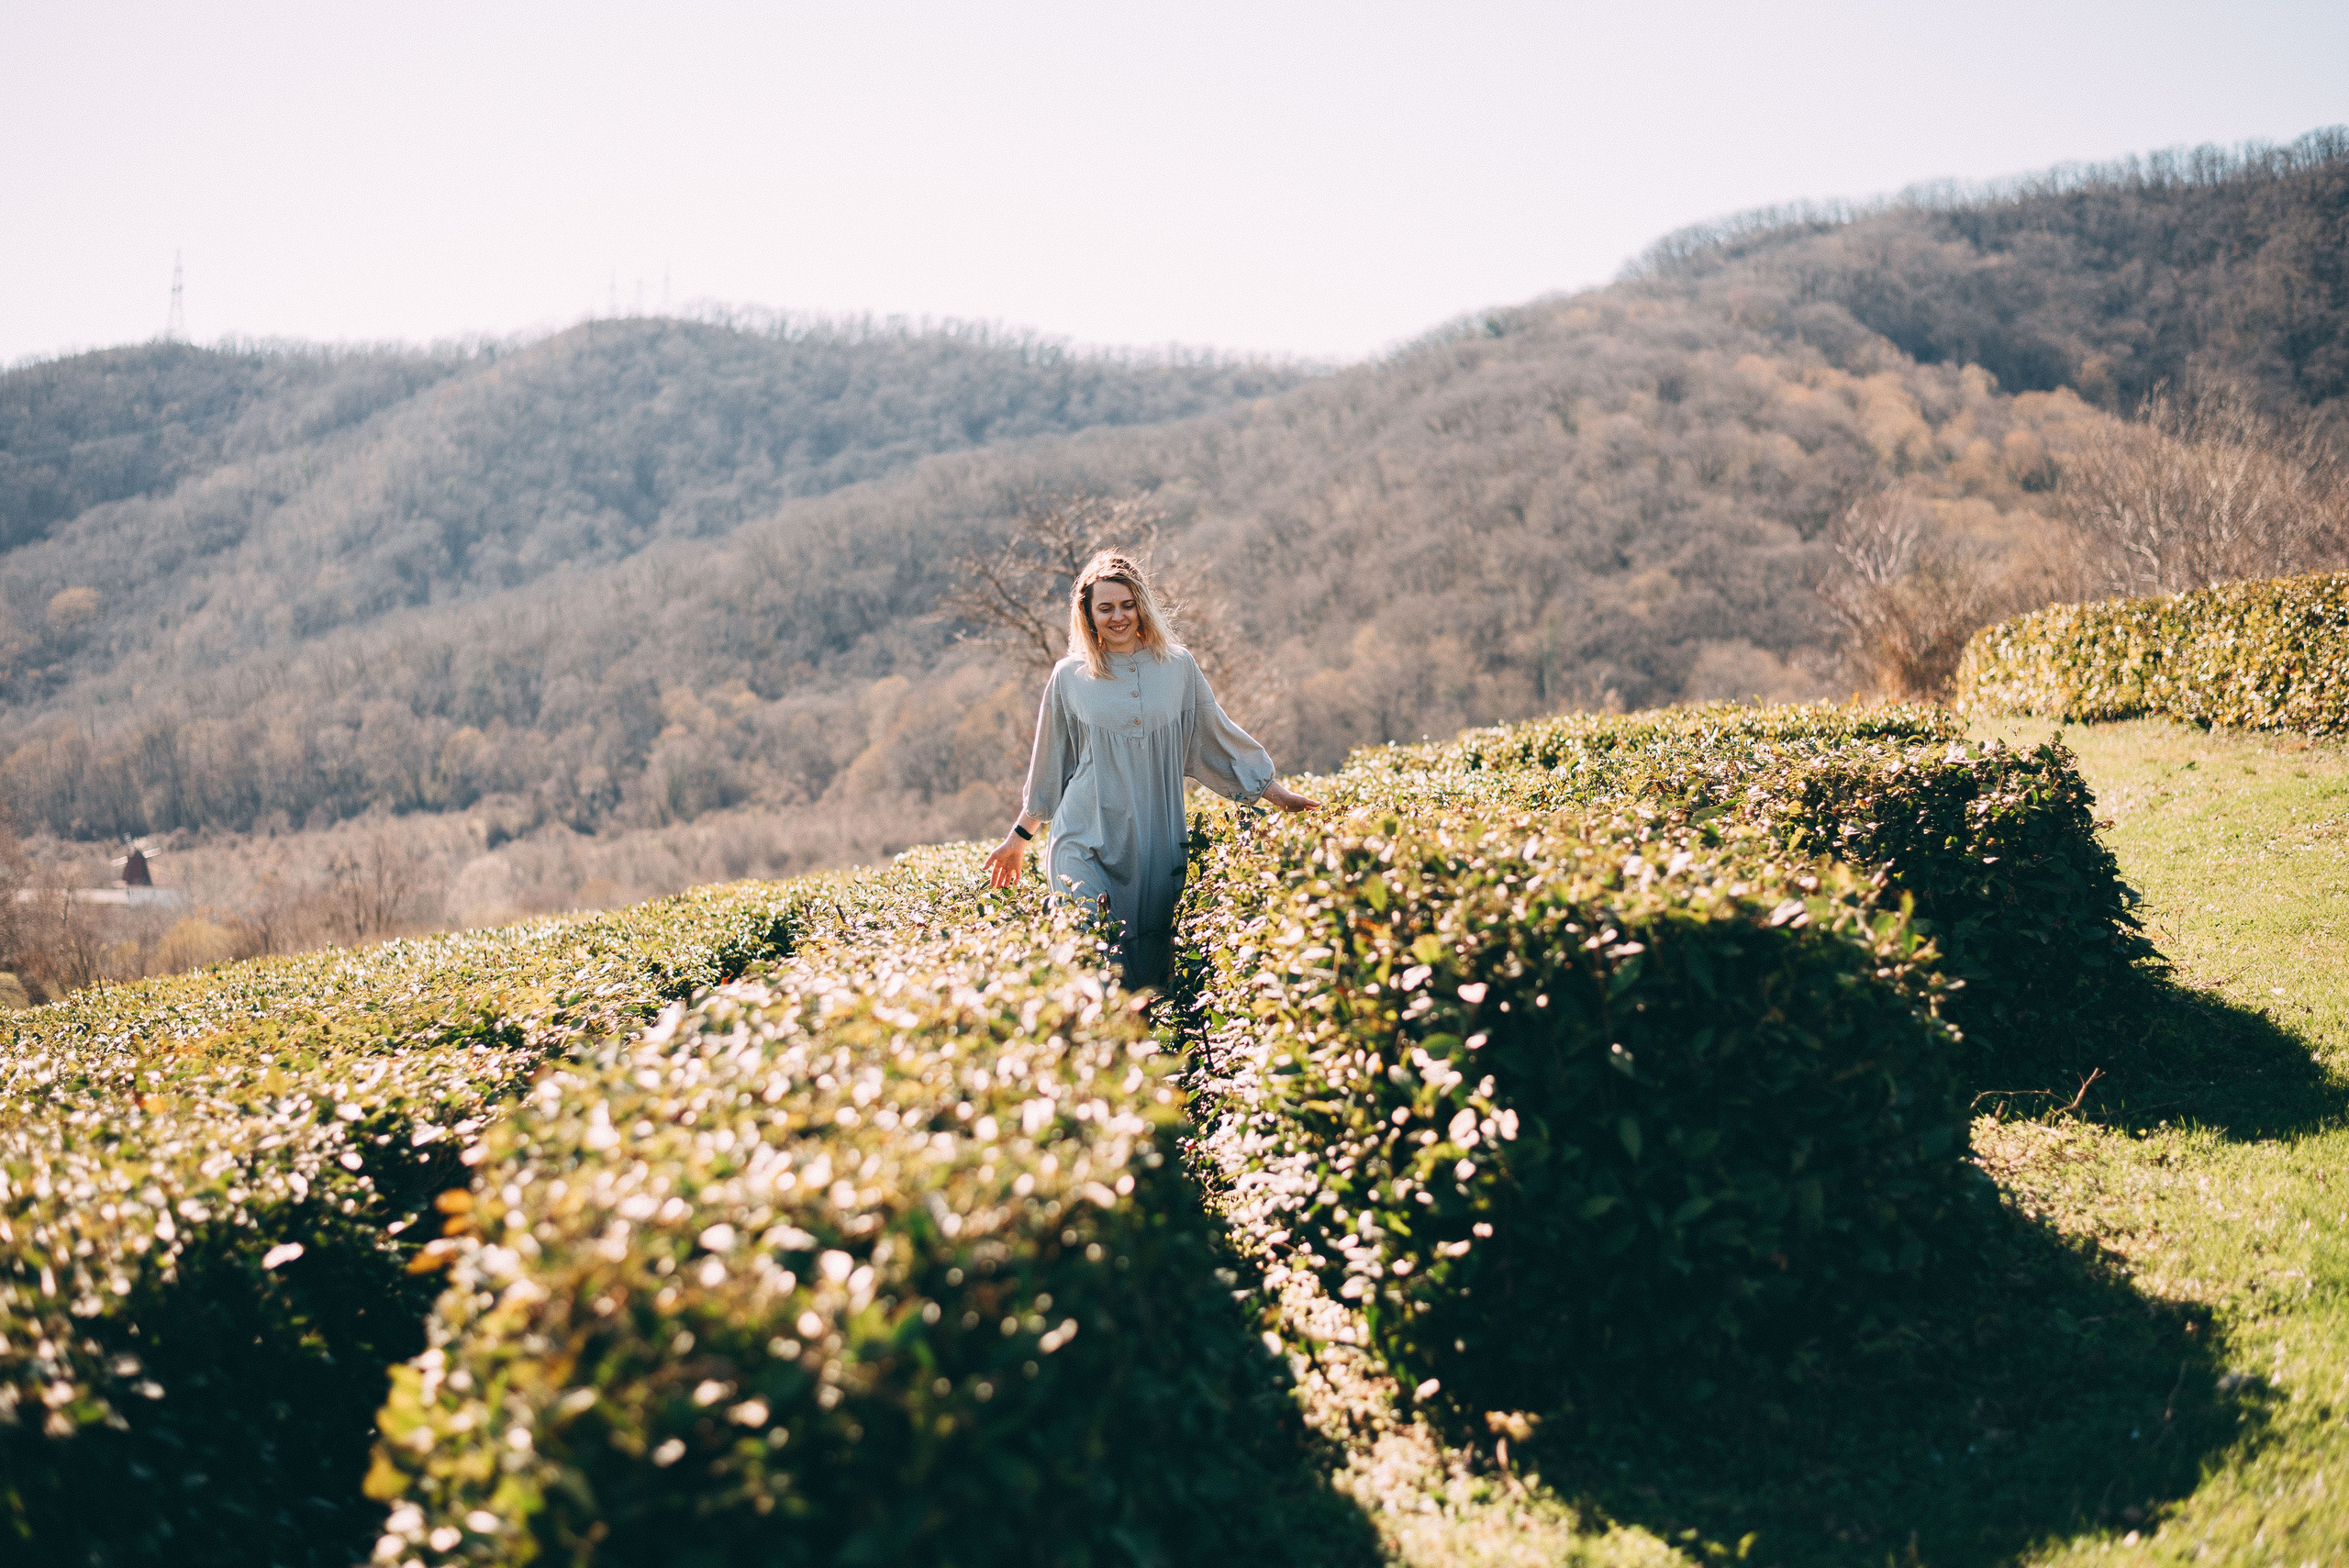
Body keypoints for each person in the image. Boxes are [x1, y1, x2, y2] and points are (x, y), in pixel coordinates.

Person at [985, 550, 1319, 986]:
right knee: (1091, 954)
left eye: (1127, 604)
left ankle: (1133, 1051)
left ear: (1142, 604)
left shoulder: (1178, 666)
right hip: (1083, 837)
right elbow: (1050, 766)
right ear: (1087, 614)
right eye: (1105, 608)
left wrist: (1276, 795)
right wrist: (1019, 838)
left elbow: (1216, 736)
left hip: (1154, 840)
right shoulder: (1069, 675)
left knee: (1143, 978)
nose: (1118, 616)